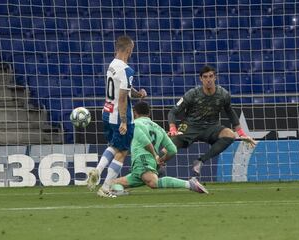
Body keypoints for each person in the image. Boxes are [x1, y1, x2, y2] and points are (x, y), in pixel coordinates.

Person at [167, 65, 257, 176]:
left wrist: (241, 133)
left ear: (215, 77)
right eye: (205, 77)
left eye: (211, 76)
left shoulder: (223, 94)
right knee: (168, 150)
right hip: (191, 126)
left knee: (230, 135)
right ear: (201, 79)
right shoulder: (192, 94)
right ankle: (157, 164)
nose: (208, 80)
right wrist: (173, 128)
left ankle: (200, 161)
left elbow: (230, 112)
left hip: (211, 128)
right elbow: (172, 112)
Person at [87, 35, 147, 198]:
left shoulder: (112, 65)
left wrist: (137, 93)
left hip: (106, 111)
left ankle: (97, 171)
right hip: (118, 114)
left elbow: (125, 90)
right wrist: (124, 121)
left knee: (114, 145)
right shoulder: (127, 70)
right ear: (129, 50)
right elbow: (122, 98)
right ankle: (106, 188)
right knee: (122, 151)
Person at [110, 101, 208, 195]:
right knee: (113, 183)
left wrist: (156, 156)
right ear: (149, 113)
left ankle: (189, 184)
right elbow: (173, 150)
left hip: (142, 158)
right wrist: (162, 160)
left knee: (153, 182)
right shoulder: (158, 128)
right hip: (145, 164)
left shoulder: (135, 124)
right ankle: (120, 192)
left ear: (135, 112)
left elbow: (145, 142)